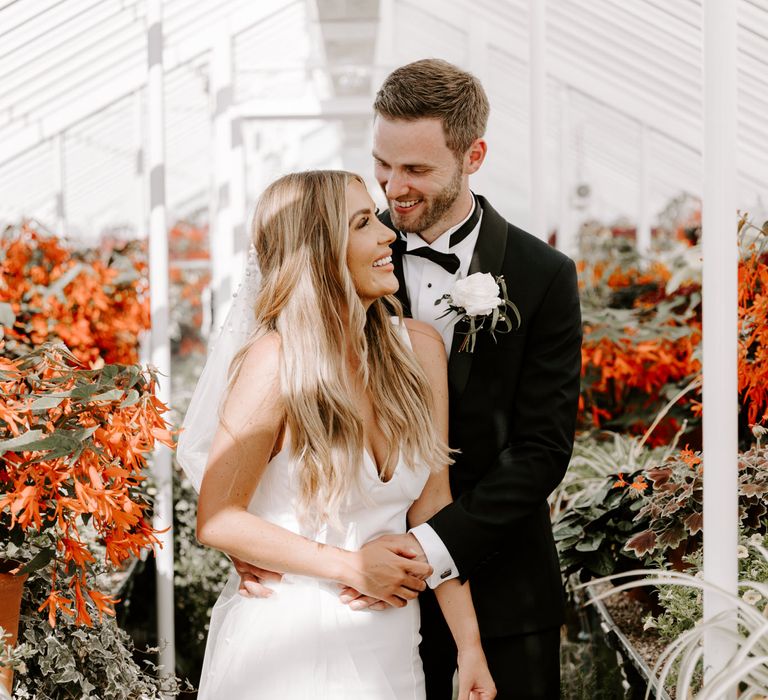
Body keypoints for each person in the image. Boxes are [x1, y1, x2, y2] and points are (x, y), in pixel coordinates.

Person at [236, 60, 582, 699]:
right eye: (383, 165)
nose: (394, 189)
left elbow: (541, 449)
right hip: (347, 604)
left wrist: (431, 546)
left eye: (417, 170)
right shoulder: (345, 244)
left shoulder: (543, 276)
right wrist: (260, 538)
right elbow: (254, 419)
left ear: (473, 155)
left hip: (498, 592)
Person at [183, 170, 496, 699]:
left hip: (394, 646)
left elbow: (433, 507)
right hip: (289, 644)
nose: (388, 235)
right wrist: (352, 566)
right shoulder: (276, 363)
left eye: (375, 218)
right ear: (318, 251)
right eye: (362, 223)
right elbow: (217, 518)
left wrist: (469, 645)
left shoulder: (420, 351)